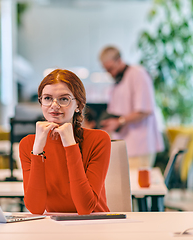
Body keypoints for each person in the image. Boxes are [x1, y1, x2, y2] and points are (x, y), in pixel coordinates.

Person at [19, 69, 111, 215]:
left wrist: (70, 143)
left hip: (94, 225)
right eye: (47, 98)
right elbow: (35, 208)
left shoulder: (99, 139)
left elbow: (85, 208)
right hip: (55, 227)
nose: (54, 105)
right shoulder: (28, 144)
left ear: (78, 105)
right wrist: (37, 149)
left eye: (64, 99)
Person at [99, 45, 164, 169]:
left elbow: (144, 110)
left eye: (110, 69)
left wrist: (119, 121)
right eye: (106, 70)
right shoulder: (118, 81)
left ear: (119, 60)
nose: (109, 74)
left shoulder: (138, 74)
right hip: (125, 144)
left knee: (135, 186)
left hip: (140, 145)